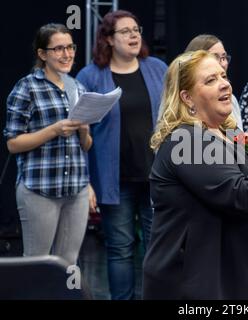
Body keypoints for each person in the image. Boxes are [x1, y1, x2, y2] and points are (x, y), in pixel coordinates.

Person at [142, 50, 248, 299]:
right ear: (187, 97)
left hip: (233, 273)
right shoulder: (186, 140)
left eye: (224, 76)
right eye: (210, 80)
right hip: (194, 283)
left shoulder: (232, 135)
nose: (224, 84)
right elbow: (241, 194)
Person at [76, 10, 167, 300]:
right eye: (125, 31)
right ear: (108, 39)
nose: (134, 35)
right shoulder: (90, 76)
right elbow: (81, 133)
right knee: (120, 249)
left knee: (159, 248)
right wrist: (88, 182)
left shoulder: (157, 68)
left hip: (156, 176)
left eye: (136, 29)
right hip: (114, 180)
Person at [3, 23, 91, 265]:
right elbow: (13, 143)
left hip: (76, 188)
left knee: (68, 263)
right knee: (37, 262)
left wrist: (84, 130)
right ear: (42, 54)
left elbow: (86, 146)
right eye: (58, 49)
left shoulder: (78, 87)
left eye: (70, 47)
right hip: (39, 189)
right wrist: (53, 130)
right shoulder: (26, 88)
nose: (67, 54)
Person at [185, 34, 243, 129]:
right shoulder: (186, 134)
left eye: (224, 57)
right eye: (211, 80)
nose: (223, 64)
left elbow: (241, 141)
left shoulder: (230, 100)